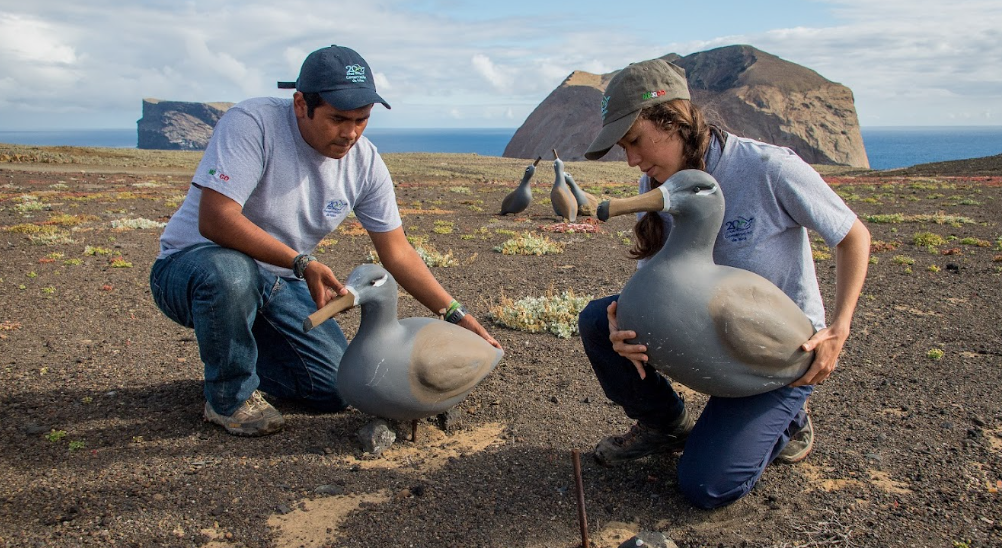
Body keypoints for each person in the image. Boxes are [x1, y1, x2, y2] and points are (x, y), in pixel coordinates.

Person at [150, 45, 500, 437]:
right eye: (337, 119)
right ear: (301, 104)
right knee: (232, 274)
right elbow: (216, 219)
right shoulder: (253, 123)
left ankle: (237, 355)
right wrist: (302, 263)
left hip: (277, 281)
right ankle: (228, 396)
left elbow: (397, 252)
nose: (350, 133)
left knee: (336, 387)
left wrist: (455, 313)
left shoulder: (365, 163)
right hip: (195, 268)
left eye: (362, 120)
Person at [578, 58, 871, 509]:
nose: (633, 159)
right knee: (600, 319)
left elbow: (853, 236)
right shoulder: (655, 185)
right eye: (623, 147)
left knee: (705, 486)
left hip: (776, 347)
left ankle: (789, 415)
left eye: (635, 140)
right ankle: (663, 423)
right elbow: (653, 275)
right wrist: (624, 325)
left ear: (672, 120)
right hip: (702, 324)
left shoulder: (768, 168)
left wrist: (839, 328)